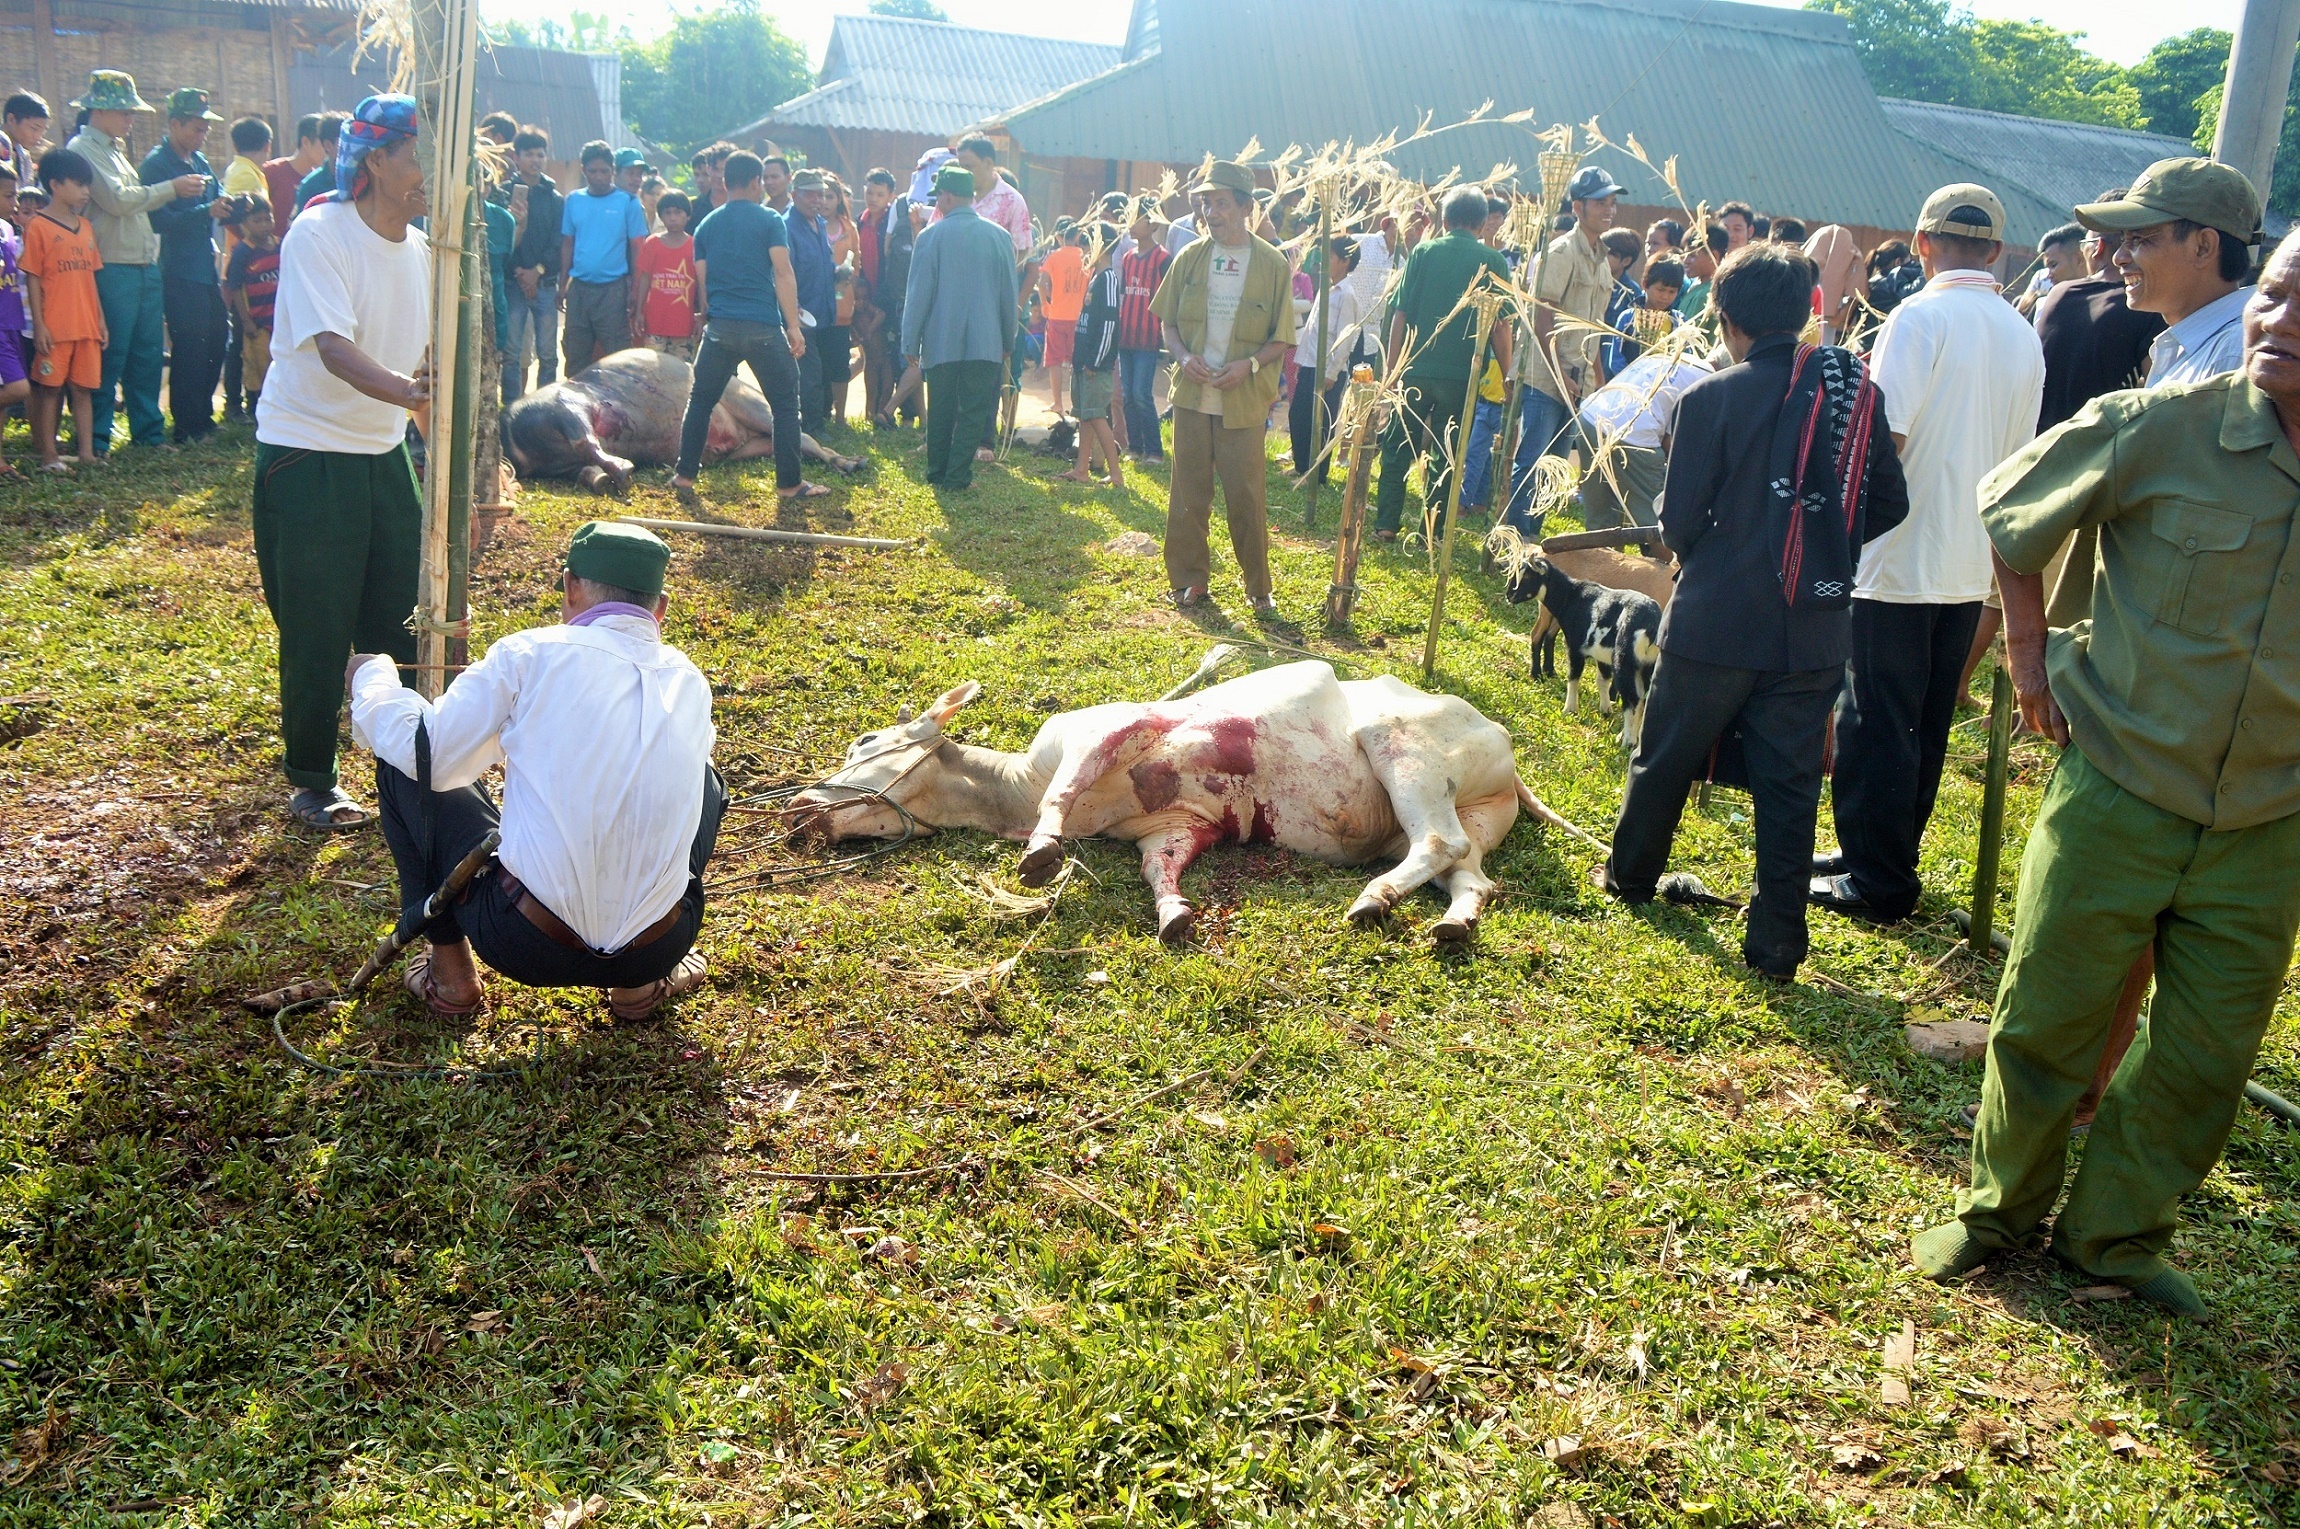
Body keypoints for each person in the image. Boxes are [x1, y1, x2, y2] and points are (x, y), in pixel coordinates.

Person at [1910, 228, 2300, 1319]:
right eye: (2270, 296)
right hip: (2119, 778)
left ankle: (2115, 1235)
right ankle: (1995, 1211)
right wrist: (2027, 652)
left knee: (2205, 1052)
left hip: (2268, 816)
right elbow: (2010, 511)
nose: (2275, 325)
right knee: (2047, 1013)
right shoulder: (2157, 425)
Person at [1596, 243, 1908, 981]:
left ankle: (1631, 877)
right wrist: (1823, 538)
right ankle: (1775, 947)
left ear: (1727, 321)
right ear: (1806, 312)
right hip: (1815, 626)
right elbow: (1889, 501)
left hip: (1715, 620)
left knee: (1666, 753)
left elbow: (1675, 525)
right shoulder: (1853, 399)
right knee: (1791, 784)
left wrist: (1722, 546)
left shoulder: (1709, 398)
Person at [348, 521, 721, 1022]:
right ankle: (639, 986)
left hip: (525, 942)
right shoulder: (690, 680)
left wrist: (373, 681)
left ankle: (451, 976)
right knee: (706, 780)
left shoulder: (528, 654)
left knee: (408, 759)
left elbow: (429, 757)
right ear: (661, 607)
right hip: (660, 945)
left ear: (569, 586)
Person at [1812, 184, 2045, 924]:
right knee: (1923, 721)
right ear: (1999, 252)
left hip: (1899, 555)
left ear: (1920, 243)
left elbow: (1886, 442)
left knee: (1875, 720)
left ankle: (1877, 880)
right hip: (1971, 562)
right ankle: (1880, 854)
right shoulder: (2021, 332)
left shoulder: (1918, 317)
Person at [252, 93, 432, 832]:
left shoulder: (424, 251)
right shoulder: (318, 233)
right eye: (420, 155)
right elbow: (332, 347)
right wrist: (416, 397)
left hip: (383, 451)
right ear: (380, 161)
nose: (429, 173)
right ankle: (311, 778)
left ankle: (411, 761)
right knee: (318, 620)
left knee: (405, 613)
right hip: (309, 451)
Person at [1149, 159, 1295, 610]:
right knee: (1188, 495)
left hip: (1243, 401)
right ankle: (1190, 581)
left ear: (1246, 207)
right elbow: (1167, 326)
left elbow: (1281, 338)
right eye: (1206, 204)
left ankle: (1258, 588)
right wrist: (1184, 357)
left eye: (1221, 204)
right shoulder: (1190, 258)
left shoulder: (1272, 264)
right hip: (1192, 397)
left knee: (1246, 497)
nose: (1211, 213)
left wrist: (1248, 366)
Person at [67, 70, 203, 456]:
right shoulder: (83, 149)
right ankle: (95, 439)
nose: (130, 119)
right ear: (100, 109)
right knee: (111, 354)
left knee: (145, 354)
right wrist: (170, 189)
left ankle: (148, 433)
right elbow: (118, 201)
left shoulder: (114, 149)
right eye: (125, 111)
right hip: (113, 265)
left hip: (142, 264)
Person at [672, 151, 816, 507]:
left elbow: (702, 283)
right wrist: (793, 327)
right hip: (763, 328)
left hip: (719, 328)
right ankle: (788, 484)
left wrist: (709, 319)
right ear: (756, 182)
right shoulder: (770, 219)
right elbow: (783, 272)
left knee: (701, 401)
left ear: (724, 182)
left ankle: (684, 475)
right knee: (784, 405)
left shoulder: (705, 226)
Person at [1375, 186, 1513, 539]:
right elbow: (1500, 326)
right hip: (1463, 375)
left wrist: (1392, 368)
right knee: (1447, 453)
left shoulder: (1423, 252)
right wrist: (1508, 375)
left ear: (1444, 220)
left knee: (1396, 445)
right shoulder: (1494, 262)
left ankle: (1387, 525)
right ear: (1483, 224)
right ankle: (1430, 533)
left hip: (1415, 368)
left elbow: (1400, 314)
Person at [1502, 165, 1618, 534]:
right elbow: (1542, 317)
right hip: (1545, 378)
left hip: (1578, 381)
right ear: (1578, 206)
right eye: (1600, 202)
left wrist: (1597, 378)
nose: (1608, 209)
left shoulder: (1602, 260)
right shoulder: (1561, 251)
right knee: (1532, 460)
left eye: (1612, 202)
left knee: (1555, 466)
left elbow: (1593, 329)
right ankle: (1516, 537)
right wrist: (1558, 373)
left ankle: (1532, 535)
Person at [2079, 157, 2261, 388]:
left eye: (2138, 239)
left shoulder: (2234, 355)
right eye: (2123, 240)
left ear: (2203, 247)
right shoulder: (2194, 345)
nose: (2119, 258)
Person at [901, 162, 1019, 491]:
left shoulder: (930, 236)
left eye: (938, 195)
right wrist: (1008, 337)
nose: (937, 201)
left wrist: (910, 341)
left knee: (941, 408)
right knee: (974, 411)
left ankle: (937, 472)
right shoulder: (1000, 237)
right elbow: (1008, 296)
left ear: (949, 196)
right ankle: (958, 477)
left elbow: (918, 294)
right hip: (986, 342)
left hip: (940, 342)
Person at [138, 87, 226, 444]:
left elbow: (215, 200)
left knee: (216, 339)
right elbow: (158, 221)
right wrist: (206, 211)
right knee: (189, 346)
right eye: (196, 127)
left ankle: (203, 416)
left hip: (205, 267)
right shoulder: (156, 165)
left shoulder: (200, 161)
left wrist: (231, 206)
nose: (202, 135)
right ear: (175, 123)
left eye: (205, 128)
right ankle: (186, 424)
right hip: (178, 268)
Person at [1577, 266, 1693, 532]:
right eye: (1660, 289)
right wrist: (1634, 378)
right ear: (1645, 284)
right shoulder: (1629, 317)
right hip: (1625, 399)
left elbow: (1681, 361)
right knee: (1607, 489)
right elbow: (1614, 357)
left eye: (1672, 291)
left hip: (1658, 401)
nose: (1665, 297)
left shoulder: (1679, 323)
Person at [22, 147, 106, 473]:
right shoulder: (37, 226)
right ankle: (49, 458)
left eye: (88, 185)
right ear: (55, 184)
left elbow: (91, 278)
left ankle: (86, 454)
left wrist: (100, 319)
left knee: (83, 390)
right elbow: (33, 278)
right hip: (55, 327)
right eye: (80, 184)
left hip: (86, 325)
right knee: (49, 391)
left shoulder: (85, 226)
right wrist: (40, 325)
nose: (86, 191)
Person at [558, 140, 646, 375]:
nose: (599, 177)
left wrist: (635, 289)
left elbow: (638, 247)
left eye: (604, 171)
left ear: (613, 171)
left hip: (613, 290)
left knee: (618, 358)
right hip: (579, 289)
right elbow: (567, 243)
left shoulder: (628, 202)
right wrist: (561, 285)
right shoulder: (573, 200)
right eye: (593, 171)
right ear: (583, 171)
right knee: (576, 355)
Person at [1288, 234, 1365, 485]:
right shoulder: (1327, 287)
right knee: (1298, 415)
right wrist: (1301, 360)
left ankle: (1317, 474)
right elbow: (1312, 329)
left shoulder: (1347, 295)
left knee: (1321, 422)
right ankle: (1301, 466)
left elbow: (1345, 337)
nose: (1324, 260)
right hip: (1310, 363)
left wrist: (1332, 371)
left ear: (1345, 261)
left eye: (1330, 256)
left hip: (1328, 369)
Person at [502, 126, 561, 402]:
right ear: (517, 156)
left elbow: (558, 241)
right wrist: (521, 272)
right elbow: (501, 238)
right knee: (511, 353)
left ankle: (544, 409)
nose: (535, 160)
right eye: (529, 154)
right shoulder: (504, 193)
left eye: (540, 154)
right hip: (513, 283)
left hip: (545, 284)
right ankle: (512, 410)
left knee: (549, 354)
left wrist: (536, 272)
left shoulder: (554, 197)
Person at [219, 115, 272, 422]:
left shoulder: (243, 170)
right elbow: (237, 222)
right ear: (268, 145)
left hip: (255, 270)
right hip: (247, 271)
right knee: (243, 341)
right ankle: (236, 404)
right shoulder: (245, 176)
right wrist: (256, 247)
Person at [1063, 226, 1123, 487]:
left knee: (1097, 416)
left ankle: (1116, 473)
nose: (1084, 250)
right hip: (1084, 362)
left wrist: (1095, 361)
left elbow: (1109, 324)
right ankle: (1081, 469)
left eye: (1087, 243)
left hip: (1095, 365)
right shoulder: (1096, 277)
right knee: (1086, 416)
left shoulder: (1108, 279)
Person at [1117, 199, 1171, 459]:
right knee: (1128, 395)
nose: (1131, 225)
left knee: (1141, 394)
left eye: (1136, 218)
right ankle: (1135, 447)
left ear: (1153, 224)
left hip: (1147, 338)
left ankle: (1155, 450)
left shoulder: (1163, 259)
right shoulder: (1127, 258)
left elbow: (1169, 299)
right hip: (1125, 337)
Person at [221, 194, 278, 412]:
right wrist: (246, 321)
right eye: (257, 221)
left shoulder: (279, 245)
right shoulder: (243, 252)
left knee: (275, 362)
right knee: (255, 364)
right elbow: (234, 287)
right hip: (256, 321)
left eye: (268, 219)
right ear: (244, 224)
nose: (265, 225)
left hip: (277, 318)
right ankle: (253, 406)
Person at [634, 189, 698, 360]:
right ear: (661, 216)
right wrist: (639, 311)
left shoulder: (695, 245)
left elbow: (701, 281)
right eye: (667, 213)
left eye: (678, 212)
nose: (673, 217)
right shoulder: (652, 243)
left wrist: (702, 315)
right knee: (653, 373)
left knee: (682, 375)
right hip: (655, 323)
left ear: (688, 216)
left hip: (684, 326)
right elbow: (645, 277)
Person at [856, 168, 897, 420]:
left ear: (890, 195)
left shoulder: (892, 224)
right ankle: (870, 411)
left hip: (886, 298)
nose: (873, 198)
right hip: (864, 298)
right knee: (871, 355)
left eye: (880, 194)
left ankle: (885, 410)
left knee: (887, 359)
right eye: (870, 192)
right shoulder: (858, 222)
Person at [948, 136, 1031, 259]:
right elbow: (933, 237)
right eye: (961, 168)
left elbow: (1022, 251)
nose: (963, 173)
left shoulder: (1013, 200)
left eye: (968, 167)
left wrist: (1002, 277)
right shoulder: (951, 196)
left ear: (988, 163)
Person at [1038, 224, 1087, 415]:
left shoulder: (1054, 256)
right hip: (1079, 317)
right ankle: (1077, 404)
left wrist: (1045, 304)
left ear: (1058, 237)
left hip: (1057, 315)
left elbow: (1042, 283)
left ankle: (1057, 403)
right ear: (1078, 235)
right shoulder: (1085, 257)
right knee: (1077, 363)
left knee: (1055, 361)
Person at [0, 160, 25, 477]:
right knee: (19, 389)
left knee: (5, 401)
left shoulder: (7, 229)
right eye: (8, 195)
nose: (15, 203)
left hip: (12, 320)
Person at [262, 115, 325, 239]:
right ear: (306, 142)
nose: (329, 149)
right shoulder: (272, 171)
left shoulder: (319, 181)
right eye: (323, 143)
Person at [1600, 226, 1643, 373]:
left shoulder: (1632, 293)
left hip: (1609, 360)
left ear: (1626, 261)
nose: (1601, 256)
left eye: (1609, 253)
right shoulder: (1592, 282)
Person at [295, 111, 348, 211]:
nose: (351, 147)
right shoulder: (310, 187)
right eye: (345, 142)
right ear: (328, 145)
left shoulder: (363, 178)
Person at [1677, 221, 1724, 320]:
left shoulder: (1705, 294)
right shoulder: (1697, 285)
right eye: (1685, 254)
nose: (1686, 260)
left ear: (1714, 256)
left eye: (1693, 255)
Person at [5, 92, 48, 192]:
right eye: (34, 129)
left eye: (43, 131)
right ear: (11, 119)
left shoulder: (24, 157)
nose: (38, 137)